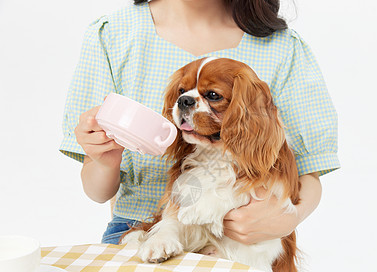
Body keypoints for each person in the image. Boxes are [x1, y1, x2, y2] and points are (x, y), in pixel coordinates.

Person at [61, 0, 340, 245]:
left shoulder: (283, 48)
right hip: (139, 232)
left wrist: (288, 218)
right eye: (182, 94)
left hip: (244, 240)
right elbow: (97, 192)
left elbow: (309, 172)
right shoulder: (113, 34)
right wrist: (104, 160)